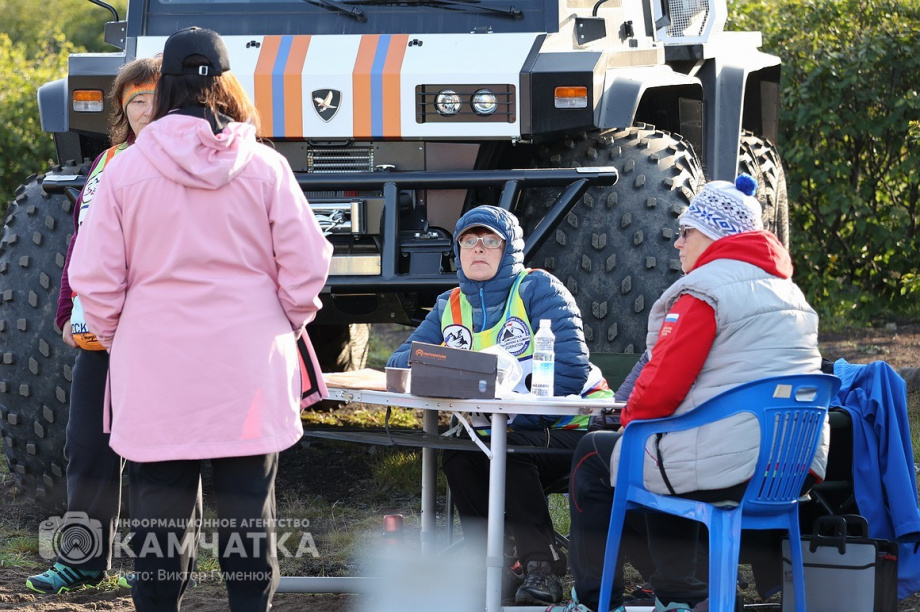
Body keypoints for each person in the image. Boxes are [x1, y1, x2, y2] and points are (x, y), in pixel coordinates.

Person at [68, 27, 332, 612]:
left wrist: (117, 335)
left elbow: (96, 277)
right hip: (248, 369)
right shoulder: (265, 166)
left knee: (158, 524)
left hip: (156, 367)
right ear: (227, 83)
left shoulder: (123, 172)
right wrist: (284, 322)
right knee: (250, 517)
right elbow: (308, 264)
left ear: (163, 89)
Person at [549, 174, 828, 612]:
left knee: (597, 453)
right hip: (788, 468)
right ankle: (685, 593)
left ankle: (594, 603)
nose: (677, 243)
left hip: (731, 463)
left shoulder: (705, 290)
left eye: (686, 232)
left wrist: (624, 422)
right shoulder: (790, 293)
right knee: (664, 450)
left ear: (716, 234)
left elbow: (659, 392)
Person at [387, 205, 611, 606]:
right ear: (457, 251)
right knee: (459, 455)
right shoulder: (449, 305)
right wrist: (440, 356)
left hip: (577, 432)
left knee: (506, 449)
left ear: (509, 250)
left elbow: (571, 373)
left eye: (490, 241)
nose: (478, 249)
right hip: (498, 431)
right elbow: (399, 361)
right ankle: (491, 565)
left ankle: (542, 567)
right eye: (469, 240)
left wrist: (510, 418)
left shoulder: (538, 289)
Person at [26, 57, 161, 595]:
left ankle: (156, 565)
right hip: (99, 335)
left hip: (159, 336)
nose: (146, 110)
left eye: (155, 98)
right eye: (135, 101)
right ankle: (81, 561)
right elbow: (82, 244)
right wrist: (65, 312)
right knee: (86, 447)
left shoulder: (186, 164)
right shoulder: (105, 162)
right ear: (123, 112)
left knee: (158, 454)